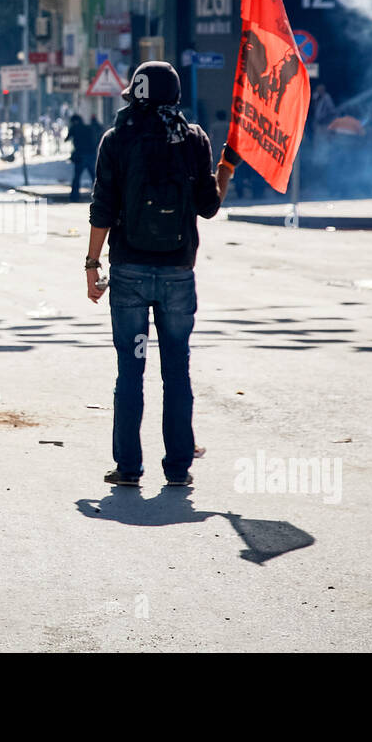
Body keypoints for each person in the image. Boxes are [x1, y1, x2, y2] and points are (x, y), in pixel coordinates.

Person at [86, 61, 223, 488]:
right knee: (176, 370)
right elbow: (208, 206)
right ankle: (179, 467)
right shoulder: (193, 139)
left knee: (131, 369)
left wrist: (92, 265)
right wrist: (226, 173)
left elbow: (102, 208)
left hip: (128, 271)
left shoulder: (117, 138)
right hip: (178, 273)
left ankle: (128, 468)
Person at [67, 114, 97, 202]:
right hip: (90, 155)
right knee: (94, 177)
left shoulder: (74, 128)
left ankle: (74, 197)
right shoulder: (88, 128)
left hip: (80, 156)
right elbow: (94, 140)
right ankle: (98, 196)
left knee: (77, 177)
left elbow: (67, 138)